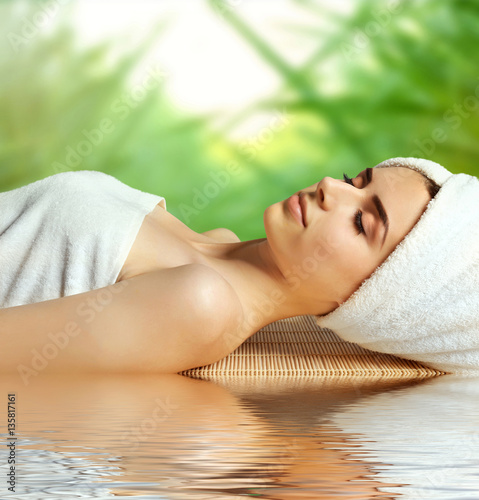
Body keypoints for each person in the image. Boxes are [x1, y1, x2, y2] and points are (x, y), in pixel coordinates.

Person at [1, 157, 477, 376]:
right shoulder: (216, 244)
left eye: (361, 221)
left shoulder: (200, 306)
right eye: (357, 179)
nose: (333, 186)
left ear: (372, 300)